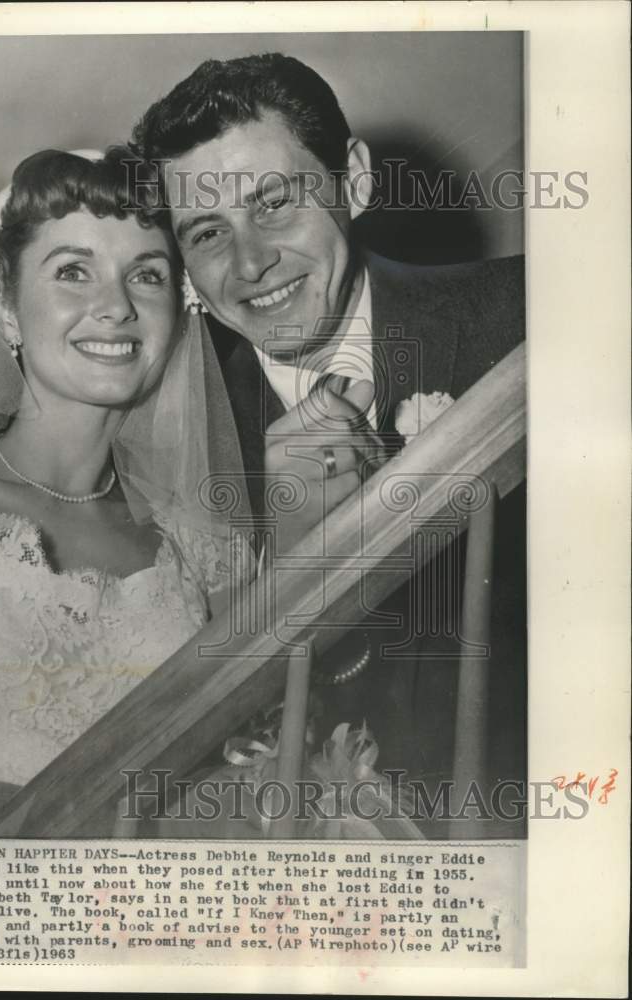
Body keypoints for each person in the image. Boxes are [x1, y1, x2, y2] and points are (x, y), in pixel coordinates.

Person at [133, 53, 527, 834]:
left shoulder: (528, 316)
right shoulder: (166, 453)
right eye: (208, 232)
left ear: (353, 180)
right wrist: (303, 562)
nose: (250, 263)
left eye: (273, 203)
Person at [0, 147, 252, 837]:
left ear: (180, 314)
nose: (116, 306)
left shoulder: (205, 550)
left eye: (148, 275)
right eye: (73, 271)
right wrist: (144, 842)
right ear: (8, 308)